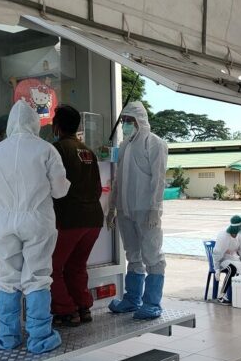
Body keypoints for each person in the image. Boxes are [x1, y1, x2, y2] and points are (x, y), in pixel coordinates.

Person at [0, 100, 70, 354]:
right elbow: (60, 189)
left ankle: (8, 338)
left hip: (6, 219)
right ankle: (39, 338)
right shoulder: (46, 150)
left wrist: (8, 204)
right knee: (37, 277)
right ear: (35, 123)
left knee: (8, 277)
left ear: (10, 123)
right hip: (38, 219)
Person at [107, 101, 168, 319]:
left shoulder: (155, 144)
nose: (125, 125)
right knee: (132, 255)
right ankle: (132, 299)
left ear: (140, 121)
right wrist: (111, 208)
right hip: (125, 210)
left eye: (129, 121)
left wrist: (155, 209)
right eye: (123, 120)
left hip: (145, 211)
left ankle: (152, 303)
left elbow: (158, 180)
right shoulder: (124, 146)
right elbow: (118, 180)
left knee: (152, 255)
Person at [50, 105, 104, 327]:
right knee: (77, 265)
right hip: (93, 219)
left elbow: (54, 185)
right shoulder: (87, 151)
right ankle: (83, 307)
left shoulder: (57, 150)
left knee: (51, 268)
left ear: (57, 126)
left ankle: (65, 310)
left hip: (71, 218)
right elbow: (98, 187)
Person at [212, 215, 241, 305]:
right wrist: (217, 269)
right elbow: (217, 253)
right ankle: (221, 296)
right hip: (222, 260)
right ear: (236, 227)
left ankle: (240, 295)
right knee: (232, 269)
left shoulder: (240, 236)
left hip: (234, 258)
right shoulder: (224, 236)